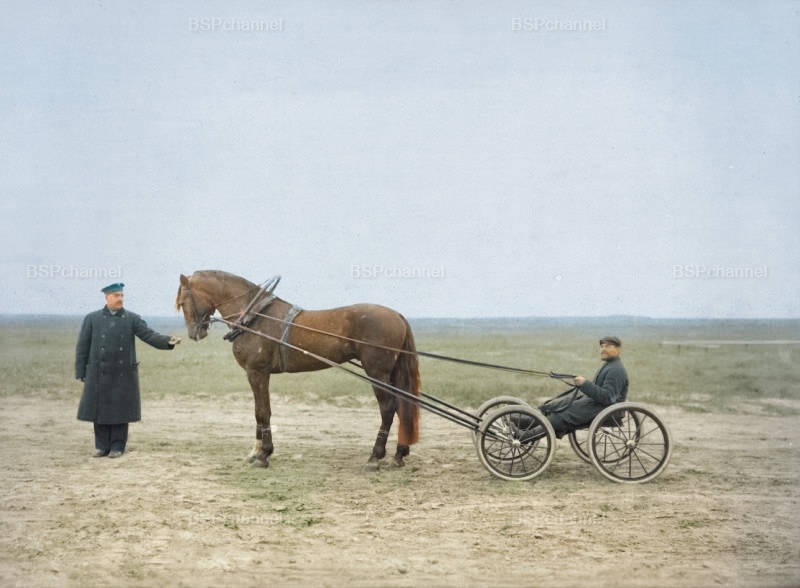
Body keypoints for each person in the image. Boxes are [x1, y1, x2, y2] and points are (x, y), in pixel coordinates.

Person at [75, 283, 181, 458]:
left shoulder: (132, 318)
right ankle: (101, 446)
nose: (120, 299)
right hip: (98, 372)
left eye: (121, 295)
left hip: (122, 373)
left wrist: (167, 341)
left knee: (119, 411)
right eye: (116, 296)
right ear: (107, 297)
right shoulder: (92, 319)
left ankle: (117, 446)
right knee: (99, 411)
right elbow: (82, 347)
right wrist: (80, 371)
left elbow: (149, 335)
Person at [516, 336, 629, 440]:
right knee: (556, 405)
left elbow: (608, 397)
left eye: (608, 346)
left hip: (603, 409)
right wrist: (584, 384)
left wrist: (585, 384)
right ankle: (523, 421)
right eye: (602, 346)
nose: (603, 349)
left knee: (560, 416)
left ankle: (525, 437)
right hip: (596, 405)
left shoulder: (616, 370)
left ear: (618, 349)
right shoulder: (610, 366)